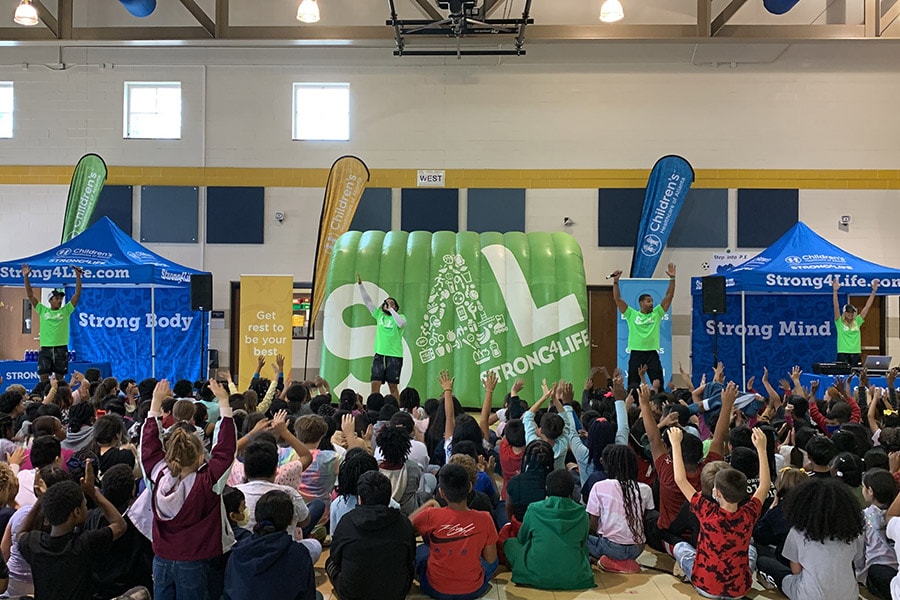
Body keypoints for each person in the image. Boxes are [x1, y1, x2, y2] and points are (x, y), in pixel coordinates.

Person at [140, 378, 236, 600]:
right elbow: (225, 450)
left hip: (161, 558)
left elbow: (149, 446)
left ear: (169, 455)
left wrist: (155, 404)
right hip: (193, 560)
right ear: (201, 456)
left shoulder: (157, 474)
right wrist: (224, 403)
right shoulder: (207, 482)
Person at [669, 426, 769, 600]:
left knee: (681, 548)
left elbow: (680, 479)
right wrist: (762, 449)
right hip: (738, 591)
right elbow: (764, 485)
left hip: (705, 586)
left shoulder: (706, 511)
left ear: (716, 493)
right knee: (751, 549)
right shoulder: (750, 512)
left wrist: (676, 444)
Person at [19, 459, 127, 600]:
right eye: (84, 504)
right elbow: (120, 525)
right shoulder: (85, 543)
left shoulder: (33, 543)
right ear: (76, 512)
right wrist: (94, 493)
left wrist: (41, 500)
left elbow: (21, 533)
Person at [411, 463, 498, 600]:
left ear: (441, 492)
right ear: (470, 487)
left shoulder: (431, 515)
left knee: (420, 551)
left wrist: (429, 504)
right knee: (492, 561)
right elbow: (491, 559)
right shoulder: (485, 518)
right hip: (473, 590)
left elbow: (406, 526)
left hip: (435, 589)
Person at [326, 470, 417, 600]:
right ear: (388, 498)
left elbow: (335, 556)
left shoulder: (347, 521)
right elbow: (411, 556)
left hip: (352, 594)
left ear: (360, 499)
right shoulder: (403, 523)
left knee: (330, 562)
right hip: (396, 592)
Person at [504, 469, 595, 590]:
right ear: (572, 490)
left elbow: (522, 538)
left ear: (546, 488)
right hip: (574, 576)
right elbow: (583, 543)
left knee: (509, 543)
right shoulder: (582, 513)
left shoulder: (534, 508)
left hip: (535, 573)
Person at [223, 490, 320, 600]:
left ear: (257, 517)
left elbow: (228, 591)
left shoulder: (238, 550)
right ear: (291, 520)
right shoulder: (298, 553)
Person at [585, 444, 654, 573]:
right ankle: (623, 562)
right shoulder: (645, 489)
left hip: (610, 547)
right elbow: (643, 519)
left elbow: (592, 525)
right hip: (638, 549)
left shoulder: (600, 486)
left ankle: (611, 562)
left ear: (609, 465)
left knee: (579, 538)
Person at [611, 263, 675, 389]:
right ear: (641, 303)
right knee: (633, 386)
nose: (652, 303)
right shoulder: (631, 314)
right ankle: (633, 407)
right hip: (636, 354)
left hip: (652, 354)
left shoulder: (657, 313)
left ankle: (658, 405)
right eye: (648, 301)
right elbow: (618, 299)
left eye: (652, 301)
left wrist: (672, 279)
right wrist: (616, 282)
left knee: (658, 384)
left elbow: (669, 296)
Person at [22, 263, 83, 383]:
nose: (59, 301)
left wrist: (78, 277)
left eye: (61, 299)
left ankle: (59, 399)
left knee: (60, 378)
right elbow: (30, 295)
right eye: (56, 299)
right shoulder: (42, 310)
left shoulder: (66, 311)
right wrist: (26, 277)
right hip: (45, 348)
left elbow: (77, 295)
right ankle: (44, 398)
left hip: (61, 348)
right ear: (50, 300)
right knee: (43, 377)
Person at [357, 272, 406, 397]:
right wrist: (361, 286)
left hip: (394, 356)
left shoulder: (400, 317)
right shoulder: (379, 315)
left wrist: (391, 310)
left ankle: (396, 410)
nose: (388, 304)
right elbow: (368, 302)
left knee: (393, 386)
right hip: (380, 355)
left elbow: (401, 324)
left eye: (392, 303)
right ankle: (374, 409)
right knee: (375, 383)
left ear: (395, 307)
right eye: (386, 303)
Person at [832, 276, 878, 368]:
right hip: (843, 353)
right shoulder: (839, 321)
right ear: (844, 313)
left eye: (852, 312)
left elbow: (867, 307)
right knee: (844, 376)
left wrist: (874, 291)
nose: (850, 314)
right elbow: (836, 306)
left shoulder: (857, 321)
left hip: (856, 353)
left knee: (857, 374)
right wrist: (835, 291)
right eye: (848, 312)